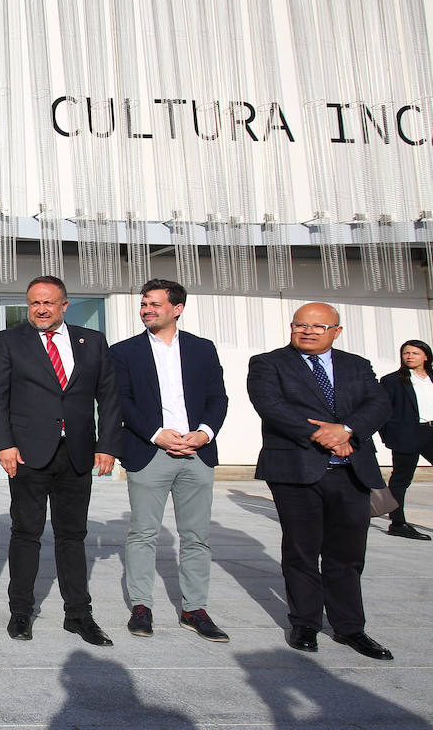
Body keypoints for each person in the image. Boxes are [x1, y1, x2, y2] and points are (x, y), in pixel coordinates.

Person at [247, 301, 394, 660]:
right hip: (296, 470)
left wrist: (346, 431)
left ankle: (350, 628)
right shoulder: (268, 363)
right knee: (301, 550)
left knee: (347, 554)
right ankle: (306, 623)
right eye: (300, 325)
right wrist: (325, 437)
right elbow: (271, 406)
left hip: (352, 471)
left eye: (317, 326)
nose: (307, 331)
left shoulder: (356, 365)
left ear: (336, 331)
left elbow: (378, 404)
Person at [0, 275, 121, 646]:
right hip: (28, 453)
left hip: (77, 453)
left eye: (48, 302)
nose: (41, 309)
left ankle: (78, 614)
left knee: (72, 535)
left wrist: (107, 445)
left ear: (65, 305)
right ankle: (20, 613)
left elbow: (109, 398)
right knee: (26, 533)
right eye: (34, 303)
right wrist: (3, 445)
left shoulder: (91, 342)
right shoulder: (10, 341)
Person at [109, 280, 230, 642]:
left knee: (196, 537)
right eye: (144, 304)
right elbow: (121, 401)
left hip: (197, 452)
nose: (147, 309)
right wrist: (156, 433)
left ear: (177, 309)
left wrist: (204, 432)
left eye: (155, 304)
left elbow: (217, 397)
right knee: (143, 533)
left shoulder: (202, 349)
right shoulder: (124, 352)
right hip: (150, 453)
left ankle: (195, 609)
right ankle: (142, 607)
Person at [378, 339, 433, 541]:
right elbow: (382, 410)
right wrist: (389, 436)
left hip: (431, 431)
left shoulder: (431, 377)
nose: (409, 356)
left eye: (415, 353)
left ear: (426, 356)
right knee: (401, 479)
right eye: (406, 353)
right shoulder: (392, 380)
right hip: (408, 434)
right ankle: (398, 523)